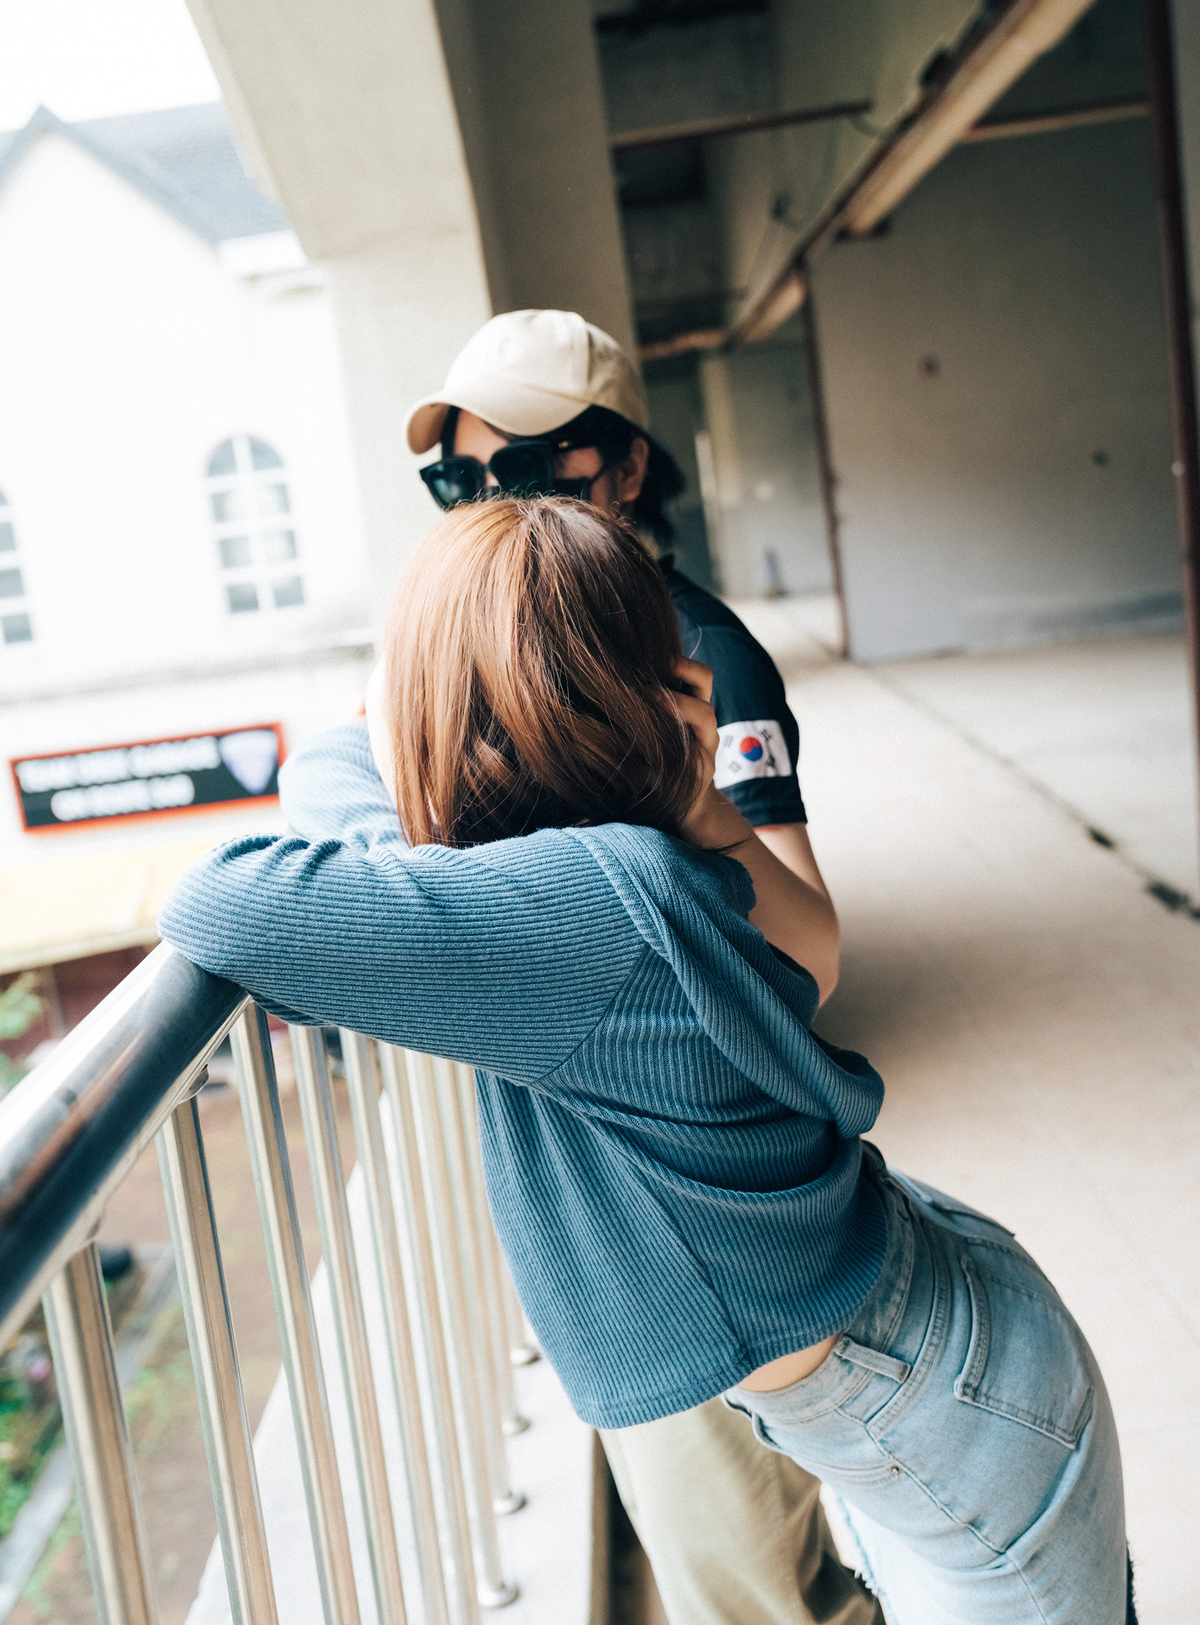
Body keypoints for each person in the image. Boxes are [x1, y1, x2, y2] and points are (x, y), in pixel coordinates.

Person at [160, 497, 1131, 1625]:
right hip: (934, 1356)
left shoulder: (575, 909)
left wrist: (364, 728)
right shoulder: (643, 855)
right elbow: (807, 948)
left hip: (946, 1406)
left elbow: (226, 902)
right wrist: (691, 784)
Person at [404, 308, 880, 1625]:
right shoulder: (522, 636)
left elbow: (806, 947)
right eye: (458, 480)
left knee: (748, 1580)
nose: (486, 505)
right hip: (614, 1193)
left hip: (688, 1193)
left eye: (524, 469)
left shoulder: (691, 651)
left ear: (619, 467)